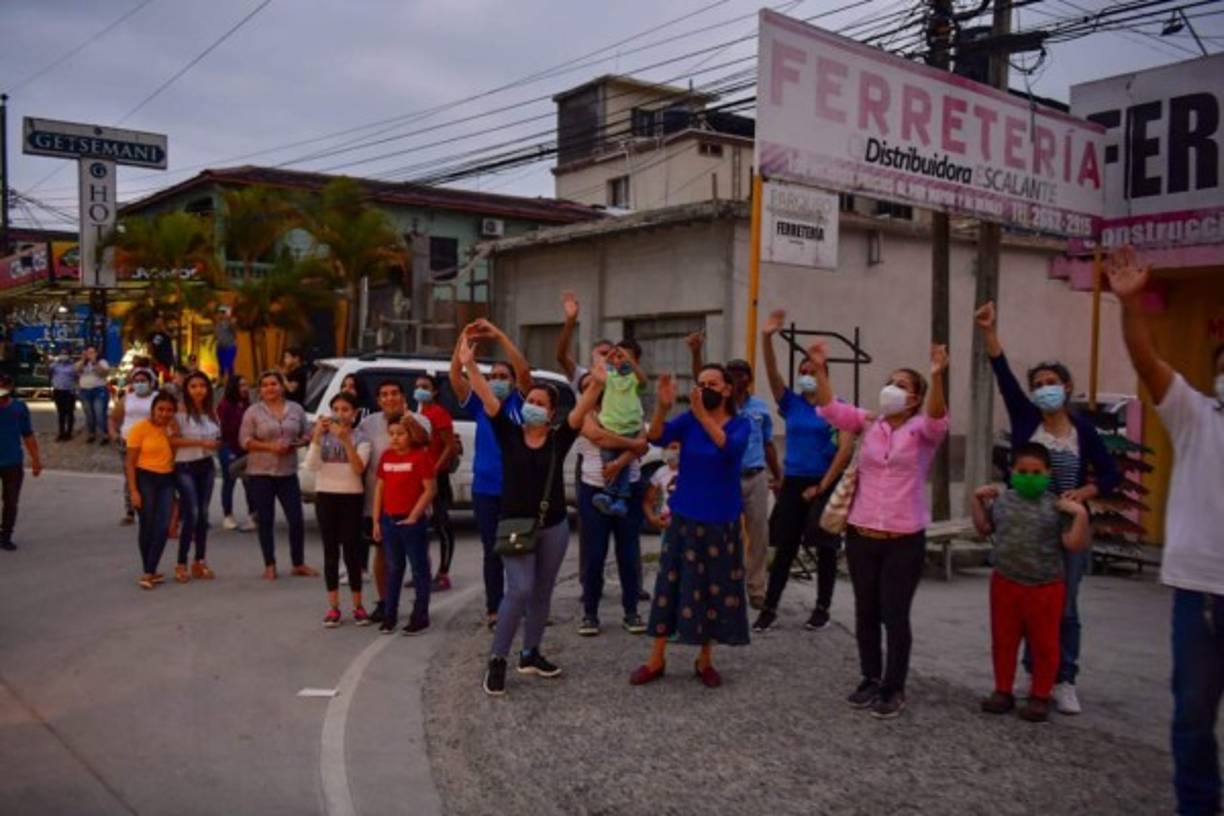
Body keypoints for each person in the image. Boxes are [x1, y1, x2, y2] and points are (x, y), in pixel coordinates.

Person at [1106, 246, 1224, 814]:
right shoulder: (1196, 413)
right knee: (1193, 713)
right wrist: (1131, 305)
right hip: (1201, 588)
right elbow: (1145, 359)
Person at [975, 300, 1120, 715]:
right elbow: (1002, 376)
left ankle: (1064, 678)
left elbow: (1111, 475)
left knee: (1066, 607)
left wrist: (1085, 495)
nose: (1044, 387)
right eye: (1038, 382)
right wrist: (989, 331)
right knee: (1020, 602)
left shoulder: (1083, 431)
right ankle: (1030, 674)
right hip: (1024, 526)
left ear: (1067, 387)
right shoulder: (1026, 420)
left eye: (1051, 380)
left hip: (1065, 527)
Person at [461, 327, 605, 697]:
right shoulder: (507, 432)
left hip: (553, 526)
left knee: (542, 591)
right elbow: (481, 391)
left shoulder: (560, 437)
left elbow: (587, 403)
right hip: (514, 524)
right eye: (532, 401)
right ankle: (497, 659)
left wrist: (598, 381)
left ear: (552, 412)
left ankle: (531, 652)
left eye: (542, 403)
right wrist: (469, 364)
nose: (534, 406)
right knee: (520, 589)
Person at [810, 342, 949, 719]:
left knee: (895, 613)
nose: (892, 388)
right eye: (890, 381)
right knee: (865, 610)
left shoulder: (922, 429)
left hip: (904, 537)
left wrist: (936, 374)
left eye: (901, 384)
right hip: (861, 533)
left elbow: (937, 416)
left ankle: (894, 686)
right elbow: (830, 409)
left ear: (914, 397)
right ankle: (870, 677)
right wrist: (821, 371)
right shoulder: (870, 423)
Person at [629, 367, 751, 690]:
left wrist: (702, 416)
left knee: (714, 590)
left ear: (727, 390)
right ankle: (656, 658)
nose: (705, 389)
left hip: (721, 519)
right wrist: (663, 406)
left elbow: (729, 448)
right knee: (670, 588)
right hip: (684, 516)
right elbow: (656, 436)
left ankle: (705, 659)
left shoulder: (741, 423)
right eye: (701, 384)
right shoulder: (689, 421)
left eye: (713, 384)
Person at [971, 442, 1091, 723]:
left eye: (1036, 472)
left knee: (1045, 643)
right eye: (1022, 471)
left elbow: (1073, 544)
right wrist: (977, 501)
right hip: (1005, 581)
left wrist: (1081, 515)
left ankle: (1040, 695)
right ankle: (1002, 690)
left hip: (1045, 586)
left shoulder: (1058, 507)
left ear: (1048, 473)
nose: (1029, 476)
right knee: (1003, 640)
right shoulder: (1002, 501)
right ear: (1012, 472)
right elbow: (984, 528)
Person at [752, 310, 854, 634]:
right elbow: (772, 374)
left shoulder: (837, 407)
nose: (806, 375)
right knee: (785, 547)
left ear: (824, 373)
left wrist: (823, 486)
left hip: (824, 481)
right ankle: (769, 608)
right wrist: (766, 338)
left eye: (812, 370)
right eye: (803, 370)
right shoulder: (793, 403)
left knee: (825, 546)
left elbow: (845, 450)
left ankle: (822, 608)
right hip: (795, 481)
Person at [449, 321, 533, 629]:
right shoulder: (481, 405)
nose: (497, 380)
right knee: (491, 552)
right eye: (492, 376)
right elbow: (455, 376)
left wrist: (499, 336)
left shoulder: (519, 403)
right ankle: (494, 609)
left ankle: (519, 604)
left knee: (517, 549)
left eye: (502, 377)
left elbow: (524, 372)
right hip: (485, 490)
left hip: (515, 489)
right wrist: (465, 337)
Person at [688, 336, 781, 609]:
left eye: (743, 375)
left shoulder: (759, 408)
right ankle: (724, 584)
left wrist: (779, 475)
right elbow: (700, 380)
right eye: (733, 375)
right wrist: (696, 353)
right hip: (725, 476)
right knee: (723, 533)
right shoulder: (719, 406)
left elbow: (768, 443)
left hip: (755, 475)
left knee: (759, 535)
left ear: (749, 380)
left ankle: (756, 589)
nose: (738, 380)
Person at [575, 370, 649, 636]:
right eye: (588, 386)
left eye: (598, 384)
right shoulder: (582, 414)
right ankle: (590, 614)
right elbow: (599, 437)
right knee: (594, 555)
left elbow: (644, 445)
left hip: (630, 490)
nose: (595, 389)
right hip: (593, 489)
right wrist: (632, 444)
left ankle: (631, 611)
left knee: (628, 553)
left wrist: (618, 462)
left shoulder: (631, 407)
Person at [239, 370, 318, 580]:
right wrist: (269, 447)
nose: (269, 388)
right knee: (266, 519)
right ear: (260, 390)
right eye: (264, 385)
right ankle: (269, 564)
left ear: (282, 386)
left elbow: (308, 433)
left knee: (296, 519)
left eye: (273, 384)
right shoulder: (253, 412)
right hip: (260, 472)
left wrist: (299, 442)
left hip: (287, 472)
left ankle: (298, 563)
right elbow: (244, 440)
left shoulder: (296, 409)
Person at [306, 392, 372, 628]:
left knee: (352, 552)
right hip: (326, 496)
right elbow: (312, 466)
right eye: (336, 409)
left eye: (346, 410)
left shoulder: (361, 437)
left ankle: (358, 605)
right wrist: (316, 436)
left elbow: (358, 468)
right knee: (330, 552)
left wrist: (345, 440)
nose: (340, 414)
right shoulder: (322, 437)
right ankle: (333, 606)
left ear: (354, 414)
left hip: (351, 497)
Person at [372, 414, 437, 635]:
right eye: (391, 434)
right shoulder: (387, 456)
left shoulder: (420, 457)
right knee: (394, 568)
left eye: (400, 434)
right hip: (389, 519)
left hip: (412, 521)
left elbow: (429, 489)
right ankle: (390, 615)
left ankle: (420, 615)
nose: (395, 438)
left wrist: (414, 515)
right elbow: (380, 488)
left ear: (411, 435)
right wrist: (376, 520)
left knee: (419, 570)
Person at [359, 380, 412, 624]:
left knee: (415, 552)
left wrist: (410, 423)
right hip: (378, 501)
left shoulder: (418, 421)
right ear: (379, 400)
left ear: (402, 396)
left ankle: (419, 604)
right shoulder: (368, 424)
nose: (389, 398)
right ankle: (385, 602)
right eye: (384, 395)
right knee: (381, 552)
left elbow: (425, 449)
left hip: (413, 501)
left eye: (394, 393)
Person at [168, 372, 220, 583]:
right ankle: (181, 562)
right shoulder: (179, 412)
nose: (198, 390)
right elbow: (172, 440)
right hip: (185, 466)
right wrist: (200, 443)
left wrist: (213, 445)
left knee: (204, 514)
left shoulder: (211, 412)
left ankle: (200, 559)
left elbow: (216, 437)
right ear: (187, 389)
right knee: (192, 512)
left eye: (202, 386)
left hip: (206, 465)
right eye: (193, 386)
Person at [126, 392, 179, 590]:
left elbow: (175, 454)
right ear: (153, 409)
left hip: (166, 478)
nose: (164, 414)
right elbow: (130, 463)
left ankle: (151, 569)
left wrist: (173, 434)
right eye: (161, 409)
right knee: (147, 524)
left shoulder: (171, 429)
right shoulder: (139, 429)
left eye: (169, 410)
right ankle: (148, 570)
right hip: (145, 477)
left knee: (163, 524)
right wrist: (133, 490)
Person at [592, 339, 647, 517]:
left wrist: (629, 361)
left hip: (630, 428)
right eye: (617, 356)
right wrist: (608, 356)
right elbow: (597, 371)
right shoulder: (610, 377)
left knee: (623, 466)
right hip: (609, 427)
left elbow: (643, 380)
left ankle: (621, 498)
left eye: (625, 357)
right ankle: (609, 494)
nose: (620, 360)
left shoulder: (634, 380)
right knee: (608, 461)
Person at [413, 374, 458, 591]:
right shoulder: (418, 413)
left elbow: (450, 447)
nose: (420, 390)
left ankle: (444, 573)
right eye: (418, 386)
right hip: (420, 476)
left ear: (435, 391)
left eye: (425, 387)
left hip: (436, 477)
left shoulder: (439, 414)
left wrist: (435, 468)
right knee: (422, 527)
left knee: (442, 526)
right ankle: (423, 571)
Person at [109, 368, 158, 526]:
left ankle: (153, 507)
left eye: (143, 380)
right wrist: (114, 435)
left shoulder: (157, 398)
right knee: (130, 475)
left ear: (151, 382)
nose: (139, 384)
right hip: (128, 442)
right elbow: (113, 418)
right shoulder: (126, 399)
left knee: (152, 475)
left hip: (152, 443)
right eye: (136, 381)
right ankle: (130, 510)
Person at [0, 374, 41, 551]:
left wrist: (36, 460)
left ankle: (6, 534)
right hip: (10, 459)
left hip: (12, 461)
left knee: (10, 501)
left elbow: (28, 434)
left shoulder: (19, 408)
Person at [217, 376, 256, 532]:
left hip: (245, 448)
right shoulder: (225, 405)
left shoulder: (247, 404)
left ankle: (252, 514)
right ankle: (228, 515)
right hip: (229, 447)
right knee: (229, 480)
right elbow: (224, 429)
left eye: (246, 385)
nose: (245, 388)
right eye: (241, 385)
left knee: (249, 481)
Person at [555, 290, 614, 391]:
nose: (607, 358)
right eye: (603, 353)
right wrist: (570, 321)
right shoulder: (580, 375)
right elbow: (561, 356)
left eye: (611, 354)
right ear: (592, 354)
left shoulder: (619, 379)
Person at [76, 345, 110, 444]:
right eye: (88, 352)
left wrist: (94, 363)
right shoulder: (82, 363)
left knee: (100, 413)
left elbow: (104, 373)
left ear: (96, 353)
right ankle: (91, 433)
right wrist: (83, 360)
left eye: (92, 352)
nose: (90, 354)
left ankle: (105, 434)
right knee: (89, 414)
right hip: (85, 391)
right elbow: (77, 371)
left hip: (99, 390)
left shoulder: (102, 362)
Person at [643, 442, 680, 531]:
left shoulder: (692, 472)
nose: (669, 452)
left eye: (674, 448)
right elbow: (647, 500)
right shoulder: (660, 472)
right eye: (665, 448)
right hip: (667, 526)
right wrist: (652, 519)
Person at [49, 348, 78, 442]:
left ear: (69, 355)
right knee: (61, 413)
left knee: (69, 413)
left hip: (69, 391)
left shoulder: (73, 366)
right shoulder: (54, 365)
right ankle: (61, 433)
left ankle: (69, 433)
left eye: (65, 354)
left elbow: (77, 377)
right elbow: (49, 373)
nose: (63, 355)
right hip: (58, 391)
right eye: (62, 353)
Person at [214, 306, 237, 382]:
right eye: (219, 313)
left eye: (221, 313)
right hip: (220, 347)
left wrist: (231, 323)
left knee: (229, 364)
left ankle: (232, 381)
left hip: (229, 346)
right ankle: (221, 381)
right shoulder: (217, 324)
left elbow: (234, 334)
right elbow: (217, 336)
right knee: (221, 365)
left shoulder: (230, 323)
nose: (219, 315)